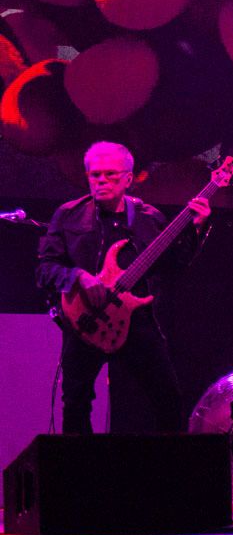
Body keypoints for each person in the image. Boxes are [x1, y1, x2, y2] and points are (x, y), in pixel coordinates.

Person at [36, 141, 211, 435]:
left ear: (128, 179)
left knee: (167, 397)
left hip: (135, 321)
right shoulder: (68, 215)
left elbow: (175, 265)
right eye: (95, 175)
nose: (101, 181)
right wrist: (78, 276)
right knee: (76, 402)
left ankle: (173, 472)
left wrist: (197, 227)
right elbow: (45, 269)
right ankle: (77, 475)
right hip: (84, 319)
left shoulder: (148, 218)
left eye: (110, 175)